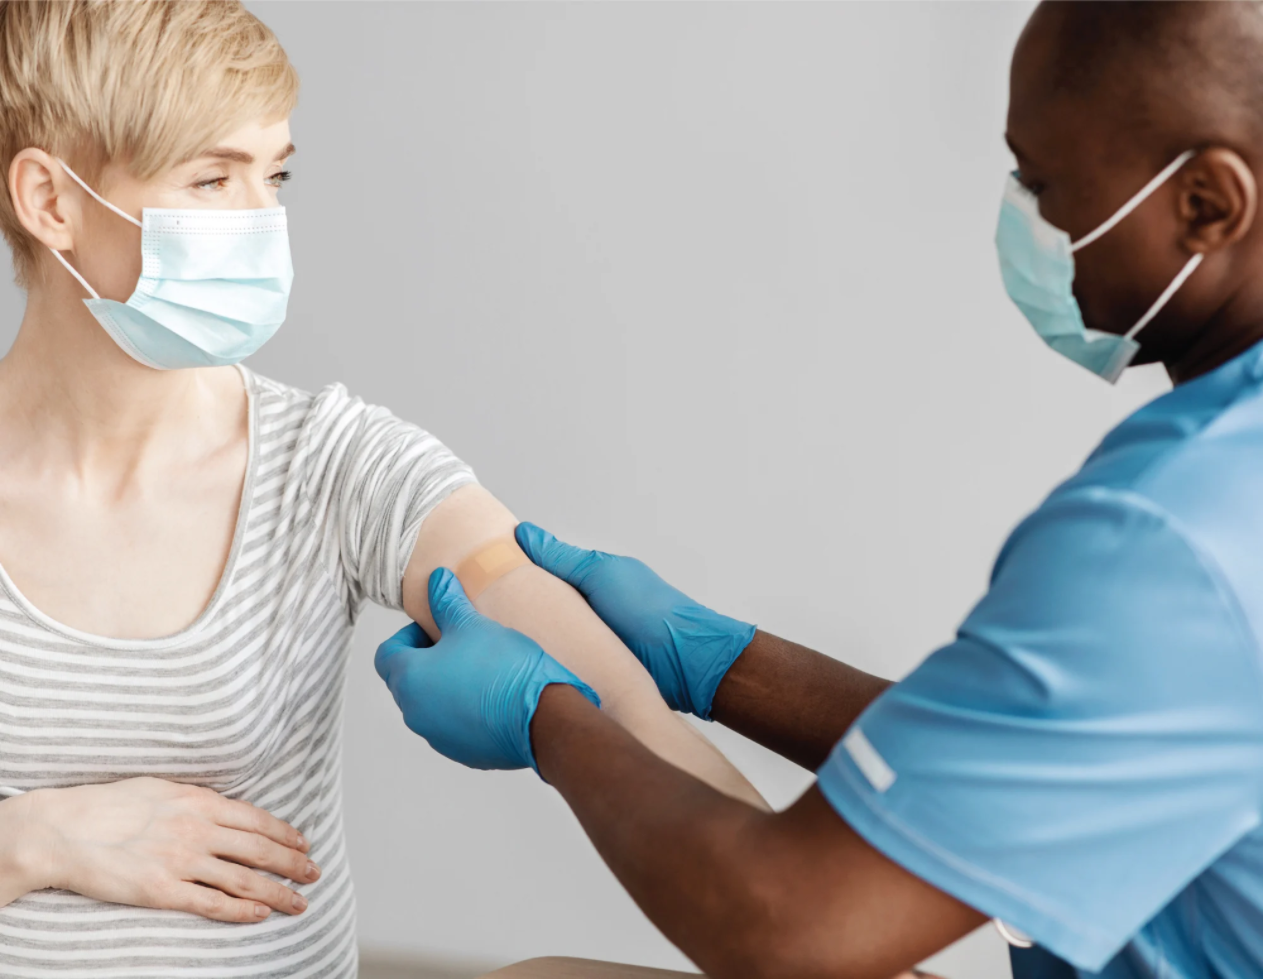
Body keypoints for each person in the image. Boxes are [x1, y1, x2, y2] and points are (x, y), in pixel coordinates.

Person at [373, 3, 1263, 978]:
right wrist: (727, 665)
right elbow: (1060, 752)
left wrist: (543, 717)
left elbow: (783, 925)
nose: (1027, 214)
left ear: (1211, 204)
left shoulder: (1170, 540)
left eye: (1044, 180)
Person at [0, 2, 765, 977]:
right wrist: (34, 839)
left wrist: (814, 926)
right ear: (50, 200)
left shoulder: (331, 462)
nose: (262, 223)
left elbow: (617, 697)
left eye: (273, 174)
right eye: (212, 177)